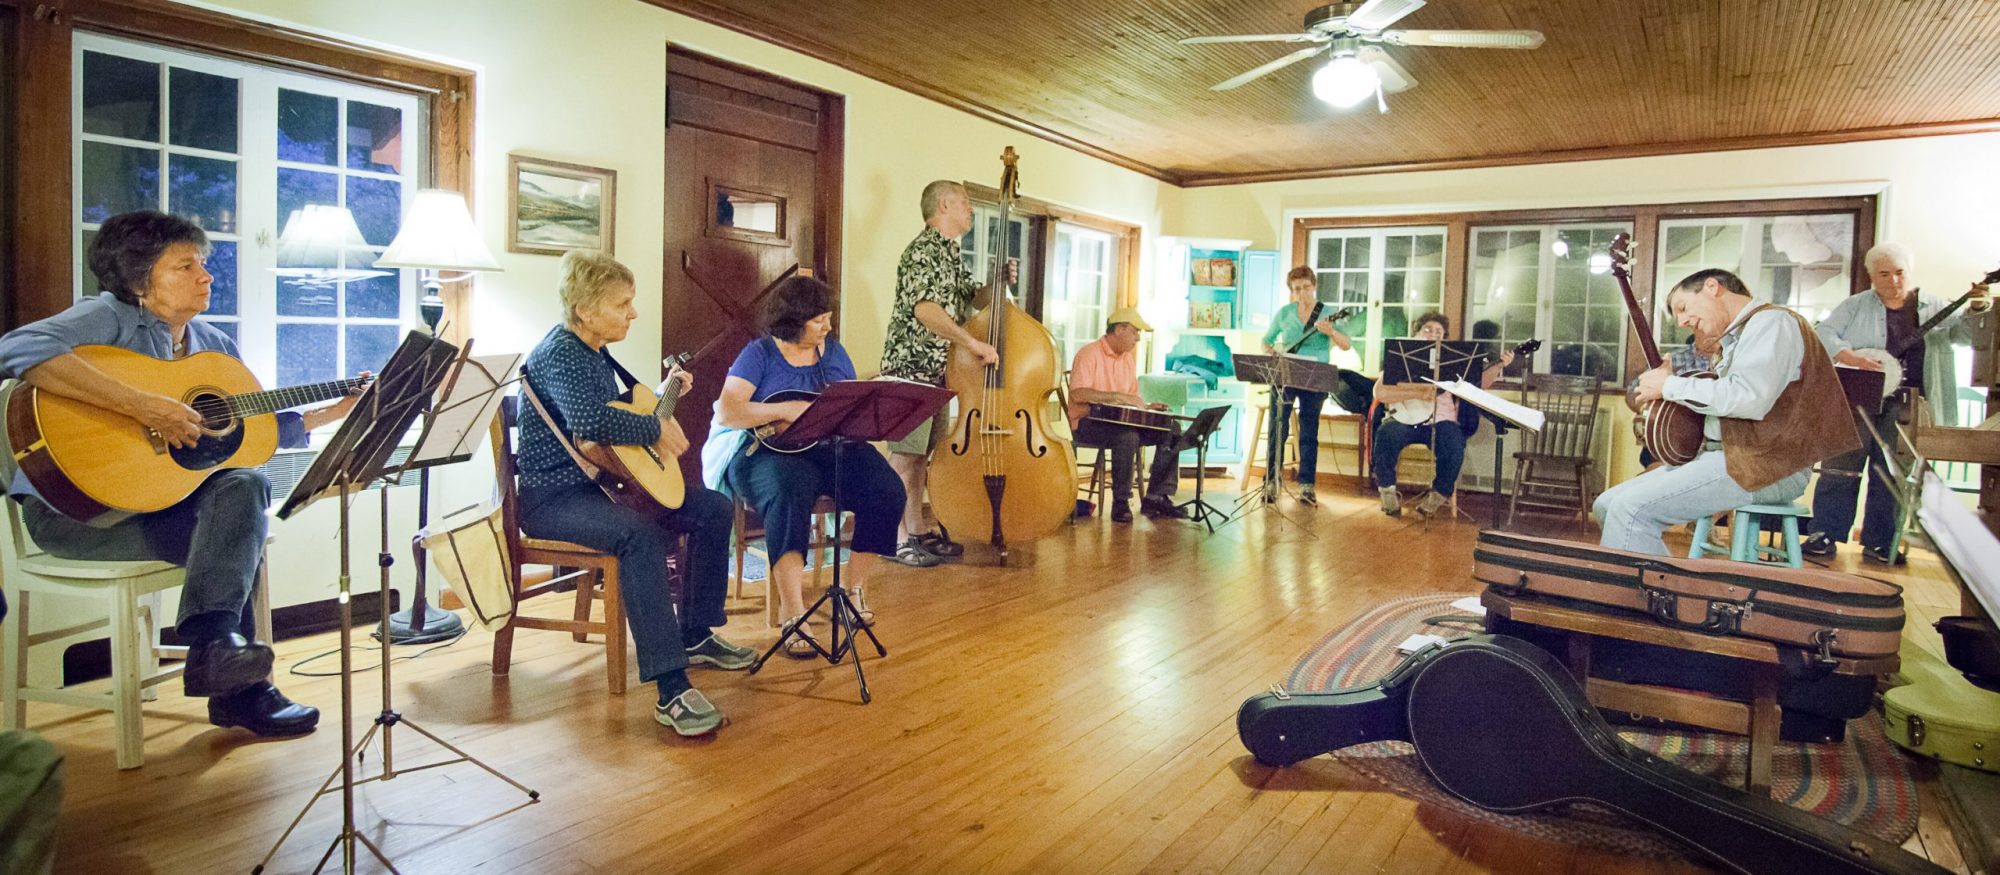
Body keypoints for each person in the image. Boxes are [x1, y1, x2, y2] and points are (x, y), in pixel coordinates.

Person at [0, 210, 360, 737]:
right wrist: (145, 406)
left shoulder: (214, 347)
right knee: (239, 529)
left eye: (204, 264)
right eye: (185, 265)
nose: (206, 276)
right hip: (79, 517)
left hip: (161, 511)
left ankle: (215, 647)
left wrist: (332, 413)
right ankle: (241, 687)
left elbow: (247, 437)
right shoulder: (110, 318)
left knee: (243, 489)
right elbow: (15, 348)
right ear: (139, 280)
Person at [516, 250, 752, 738]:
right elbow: (589, 422)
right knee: (639, 537)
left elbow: (610, 417)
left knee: (712, 508)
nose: (633, 313)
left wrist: (661, 398)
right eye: (623, 304)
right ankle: (670, 688)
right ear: (584, 309)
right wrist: (653, 426)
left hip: (602, 488)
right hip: (554, 497)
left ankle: (696, 632)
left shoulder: (592, 351)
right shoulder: (560, 352)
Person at [706, 276, 906, 655]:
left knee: (886, 489)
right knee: (788, 491)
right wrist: (784, 409)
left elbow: (846, 405)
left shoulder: (832, 351)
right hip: (764, 451)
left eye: (828, 318)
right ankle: (793, 613)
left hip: (825, 445)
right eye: (819, 320)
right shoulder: (760, 353)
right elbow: (728, 410)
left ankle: (853, 588)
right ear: (793, 320)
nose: (827, 327)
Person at [1595, 269, 1859, 556]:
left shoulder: (1772, 322)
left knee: (1630, 510)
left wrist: (1669, 385)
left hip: (1769, 464)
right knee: (1607, 504)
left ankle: (1658, 596)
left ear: (1712, 287)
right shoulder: (1739, 337)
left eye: (1683, 308)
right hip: (1731, 457)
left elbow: (1748, 399)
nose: (1682, 321)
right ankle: (1654, 587)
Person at [1804, 243, 1989, 564]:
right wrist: (1849, 355)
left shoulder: (1933, 305)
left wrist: (1975, 310)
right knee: (1840, 467)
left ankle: (1879, 543)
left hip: (1909, 401)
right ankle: (1824, 534)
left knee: (1892, 473)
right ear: (1872, 276)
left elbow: (1965, 336)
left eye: (1899, 273)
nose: (1893, 281)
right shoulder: (1856, 305)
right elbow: (1824, 333)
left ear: (1909, 272)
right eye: (1884, 274)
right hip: (1859, 395)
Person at [877, 179, 1012, 567]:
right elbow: (926, 309)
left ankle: (917, 531)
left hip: (939, 372)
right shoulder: (921, 251)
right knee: (904, 456)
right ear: (945, 205)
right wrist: (971, 345)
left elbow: (973, 300)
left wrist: (997, 282)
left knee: (921, 456)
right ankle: (893, 536)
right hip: (911, 369)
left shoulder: (950, 253)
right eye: (967, 203)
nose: (971, 210)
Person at [1370, 312, 1513, 518]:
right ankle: (1388, 493)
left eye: (1438, 332)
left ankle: (1436, 497)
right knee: (1386, 435)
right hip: (1403, 419)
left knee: (1454, 443)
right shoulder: (1401, 358)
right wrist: (1418, 392)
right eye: (1427, 329)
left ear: (1443, 338)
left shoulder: (1452, 362)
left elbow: (1477, 385)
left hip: (1440, 421)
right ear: (1417, 333)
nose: (1432, 334)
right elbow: (1380, 393)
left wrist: (1499, 365)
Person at [1067, 308, 1187, 522]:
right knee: (1127, 436)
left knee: (1171, 428)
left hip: (1120, 422)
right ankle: (1120, 502)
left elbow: (1130, 400)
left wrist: (1147, 408)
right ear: (1120, 329)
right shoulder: (1088, 354)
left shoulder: (1128, 359)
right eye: (1135, 332)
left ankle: (1156, 497)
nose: (1138, 338)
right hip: (1088, 423)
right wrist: (1117, 397)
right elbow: (1077, 394)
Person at [1260, 266, 1365, 505]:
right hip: (1286, 373)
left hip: (1315, 375)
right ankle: (1272, 481)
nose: (1302, 293)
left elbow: (1346, 344)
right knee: (1278, 429)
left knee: (1309, 431)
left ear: (1314, 286)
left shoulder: (1328, 313)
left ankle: (1307, 486)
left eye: (1306, 287)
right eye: (1297, 289)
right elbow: (1266, 341)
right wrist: (1273, 351)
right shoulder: (1285, 312)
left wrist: (1330, 332)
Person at [1627, 331, 1721, 469]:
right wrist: (1649, 407)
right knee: (1655, 471)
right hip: (1674, 440)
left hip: (1716, 445)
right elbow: (1633, 392)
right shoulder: (1675, 358)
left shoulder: (1733, 359)